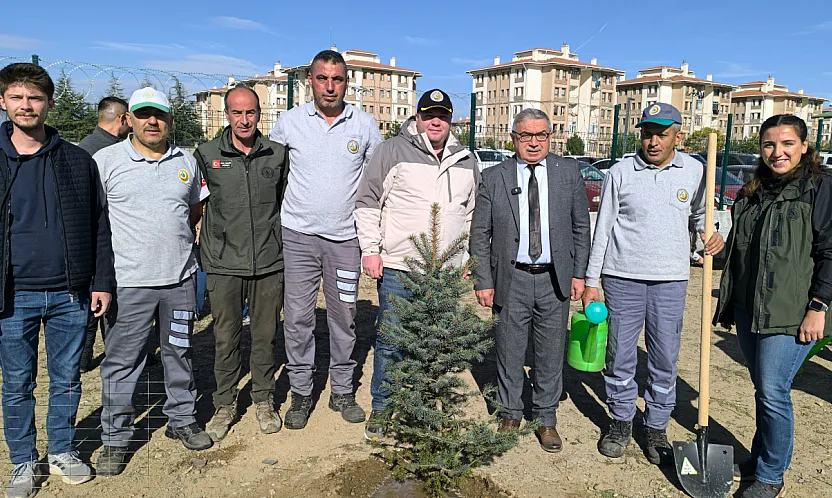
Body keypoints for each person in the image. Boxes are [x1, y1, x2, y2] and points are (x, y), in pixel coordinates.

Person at [581, 103, 724, 466]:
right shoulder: (620, 172)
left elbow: (700, 216)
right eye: (647, 133)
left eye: (662, 133)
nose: (653, 141)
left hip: (671, 280)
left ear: (678, 134)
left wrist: (710, 236)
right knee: (620, 356)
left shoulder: (695, 171)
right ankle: (620, 420)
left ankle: (656, 425)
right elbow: (604, 229)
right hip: (621, 278)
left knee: (664, 357)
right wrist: (592, 281)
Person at [0, 62, 115, 496]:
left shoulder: (75, 161)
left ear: (49, 103)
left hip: (70, 292)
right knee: (17, 383)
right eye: (17, 97)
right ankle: (23, 461)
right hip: (12, 296)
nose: (26, 106)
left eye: (34, 98)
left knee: (67, 378)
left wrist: (100, 281)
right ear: (4, 102)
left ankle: (63, 450)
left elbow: (99, 225)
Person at [94, 87, 212, 476]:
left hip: (179, 280)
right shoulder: (106, 162)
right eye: (143, 114)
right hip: (129, 283)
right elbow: (94, 221)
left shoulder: (186, 162)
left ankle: (181, 419)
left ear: (169, 120)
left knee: (179, 352)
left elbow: (194, 209)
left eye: (159, 115)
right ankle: (115, 437)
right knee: (123, 361)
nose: (152, 122)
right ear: (129, 118)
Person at [714, 114, 830, 498]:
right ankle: (760, 456)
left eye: (786, 144)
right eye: (768, 145)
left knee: (773, 390)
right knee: (762, 387)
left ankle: (770, 476)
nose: (777, 152)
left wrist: (819, 305)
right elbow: (744, 246)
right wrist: (719, 251)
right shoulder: (753, 190)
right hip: (750, 306)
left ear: (804, 146)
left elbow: (829, 251)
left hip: (792, 310)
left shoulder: (819, 188)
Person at [355, 89, 478, 439]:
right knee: (393, 340)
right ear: (418, 117)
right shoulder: (392, 151)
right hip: (398, 265)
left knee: (437, 343)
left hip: (446, 271)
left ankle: (425, 407)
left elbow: (471, 214)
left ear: (451, 119)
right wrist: (371, 249)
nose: (435, 121)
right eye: (428, 115)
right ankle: (383, 407)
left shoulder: (467, 159)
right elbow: (367, 201)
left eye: (442, 114)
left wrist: (467, 255)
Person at [268, 50, 382, 430]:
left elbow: (374, 186)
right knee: (298, 317)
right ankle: (301, 391)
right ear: (310, 81)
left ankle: (342, 389)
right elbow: (274, 175)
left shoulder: (364, 125)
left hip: (345, 240)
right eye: (322, 78)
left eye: (337, 79)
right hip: (298, 236)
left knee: (344, 316)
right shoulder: (289, 123)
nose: (330, 86)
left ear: (346, 82)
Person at [470, 108, 591, 453]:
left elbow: (582, 228)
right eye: (526, 136)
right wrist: (483, 279)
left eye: (541, 135)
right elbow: (480, 233)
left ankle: (545, 418)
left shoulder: (568, 173)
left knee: (551, 351)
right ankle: (510, 412)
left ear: (551, 137)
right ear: (514, 138)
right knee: (508, 348)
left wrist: (579, 274)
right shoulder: (494, 177)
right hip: (512, 277)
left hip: (555, 278)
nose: (534, 143)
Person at [194, 86, 288, 441]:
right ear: (226, 115)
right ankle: (225, 404)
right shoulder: (206, 154)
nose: (244, 120)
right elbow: (196, 202)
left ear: (259, 113)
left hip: (267, 261)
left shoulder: (277, 155)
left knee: (265, 336)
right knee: (225, 338)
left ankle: (264, 400)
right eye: (236, 113)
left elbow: (283, 201)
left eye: (250, 113)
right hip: (223, 263)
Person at [78, 96, 131, 373]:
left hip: (116, 236)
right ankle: (83, 357)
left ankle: (131, 350)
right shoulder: (94, 152)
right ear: (123, 119)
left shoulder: (93, 146)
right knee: (95, 301)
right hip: (100, 237)